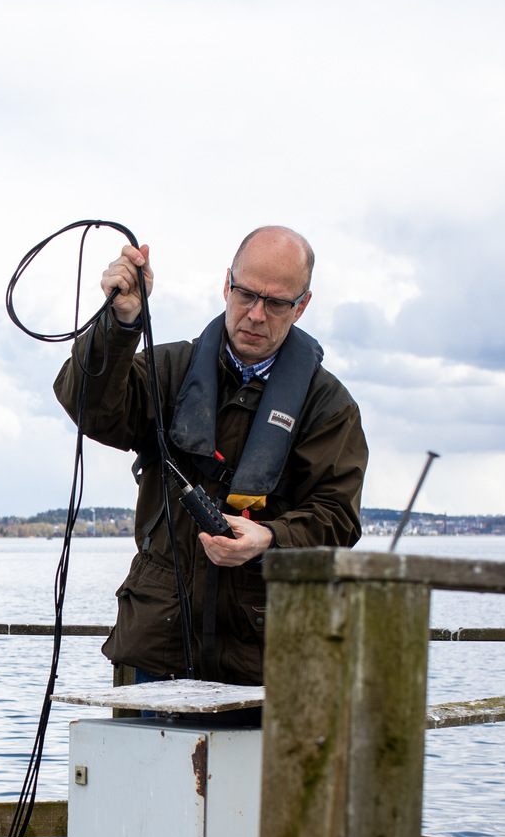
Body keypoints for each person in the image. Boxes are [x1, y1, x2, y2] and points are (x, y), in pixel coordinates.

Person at [53, 226, 368, 686]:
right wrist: (120, 325)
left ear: (302, 305)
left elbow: (338, 518)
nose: (256, 314)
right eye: (245, 294)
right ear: (226, 284)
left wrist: (271, 539)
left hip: (264, 664)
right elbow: (87, 404)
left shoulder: (329, 407)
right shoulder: (170, 371)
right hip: (154, 650)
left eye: (276, 302)